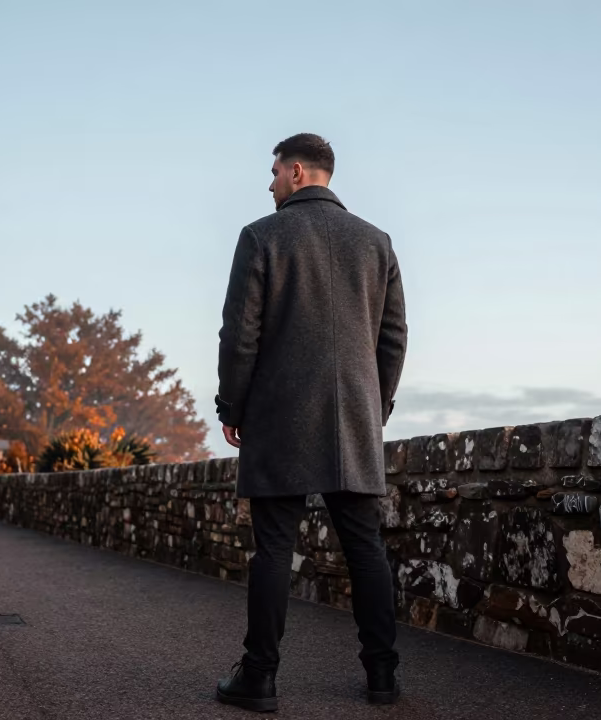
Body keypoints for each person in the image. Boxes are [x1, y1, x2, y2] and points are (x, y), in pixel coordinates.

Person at [213, 133, 408, 712]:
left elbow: (239, 334)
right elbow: (392, 339)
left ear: (297, 171)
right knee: (366, 548)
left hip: (279, 415)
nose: (268, 182)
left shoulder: (261, 236)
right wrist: (377, 408)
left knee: (273, 549)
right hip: (354, 417)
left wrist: (233, 407)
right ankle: (382, 676)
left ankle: (261, 678)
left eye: (273, 171)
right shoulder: (377, 242)